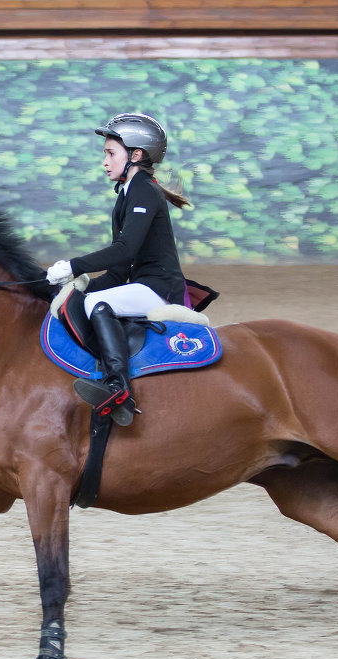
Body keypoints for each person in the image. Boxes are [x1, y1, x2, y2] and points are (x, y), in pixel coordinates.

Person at [46, 113, 192, 427]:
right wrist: (76, 286)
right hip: (141, 284)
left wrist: (73, 267)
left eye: (111, 154)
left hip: (159, 288)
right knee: (79, 299)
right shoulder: (127, 195)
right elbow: (117, 271)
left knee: (97, 306)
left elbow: (124, 250)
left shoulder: (143, 191)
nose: (105, 162)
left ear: (136, 155)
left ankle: (118, 387)